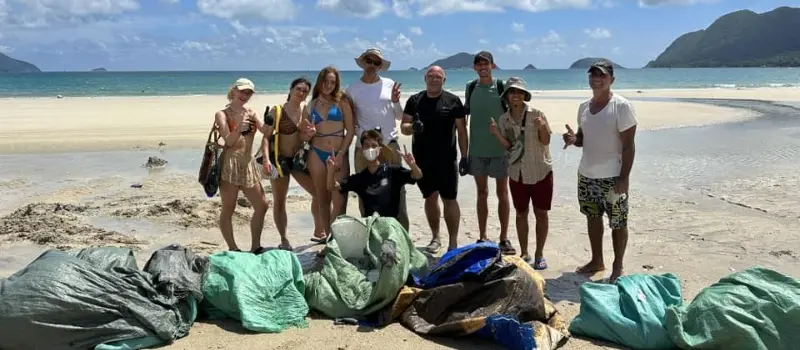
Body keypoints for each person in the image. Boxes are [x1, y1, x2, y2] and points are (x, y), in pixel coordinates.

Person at [563, 59, 638, 283]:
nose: (596, 78)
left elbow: (629, 145)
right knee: (592, 218)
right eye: (593, 74)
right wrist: (573, 139)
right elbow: (583, 139)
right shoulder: (584, 107)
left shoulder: (621, 106)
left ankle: (618, 265)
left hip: (613, 177)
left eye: (602, 75)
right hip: (586, 175)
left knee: (618, 222)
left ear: (611, 80)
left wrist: (624, 178)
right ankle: (597, 260)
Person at [400, 66, 468, 253]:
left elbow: (462, 131)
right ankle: (435, 237)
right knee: (430, 197)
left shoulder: (453, 101)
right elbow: (404, 126)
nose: (434, 79)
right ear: (425, 78)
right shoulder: (415, 100)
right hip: (423, 160)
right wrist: (413, 127)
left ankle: (453, 242)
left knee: (450, 199)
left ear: (444, 80)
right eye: (431, 76)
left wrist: (465, 157)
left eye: (438, 77)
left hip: (447, 160)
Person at [488, 77, 553, 269]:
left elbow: (546, 141)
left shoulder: (537, 113)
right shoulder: (503, 119)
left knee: (541, 213)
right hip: (517, 172)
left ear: (525, 95)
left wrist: (542, 127)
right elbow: (509, 146)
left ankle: (539, 253)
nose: (515, 95)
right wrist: (496, 133)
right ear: (506, 96)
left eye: (519, 92)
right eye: (512, 92)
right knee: (521, 213)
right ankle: (525, 252)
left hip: (540, 170)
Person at [345, 48, 409, 231]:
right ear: (363, 62)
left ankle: (402, 235)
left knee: (397, 192)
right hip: (364, 148)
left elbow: (399, 116)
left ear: (380, 66)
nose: (372, 65)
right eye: (369, 61)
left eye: (376, 62)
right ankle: (370, 234)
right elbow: (351, 118)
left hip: (389, 144)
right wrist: (358, 134)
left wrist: (396, 100)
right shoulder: (353, 89)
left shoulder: (389, 84)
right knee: (365, 193)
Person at [258, 77, 323, 249]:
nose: (301, 93)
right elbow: (266, 137)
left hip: (297, 160)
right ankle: (284, 239)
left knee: (318, 193)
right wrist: (265, 159)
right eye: (299, 89)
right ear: (291, 89)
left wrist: (309, 134)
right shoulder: (277, 110)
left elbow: (302, 137)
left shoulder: (305, 112)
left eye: (305, 91)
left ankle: (319, 230)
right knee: (280, 200)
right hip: (279, 160)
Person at [463, 51, 512, 254]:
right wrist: (463, 152)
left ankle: (503, 238)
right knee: (481, 193)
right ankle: (482, 236)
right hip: (477, 150)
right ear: (475, 67)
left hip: (500, 150)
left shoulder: (501, 87)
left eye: (486, 64)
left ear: (493, 66)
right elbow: (463, 117)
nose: (483, 67)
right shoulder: (470, 87)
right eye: (479, 64)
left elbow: (514, 113)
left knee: (502, 193)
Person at [213, 78, 270, 253]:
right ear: (234, 91)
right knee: (229, 207)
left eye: (248, 93)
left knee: (262, 204)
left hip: (248, 163)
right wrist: (239, 127)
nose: (245, 95)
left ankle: (256, 246)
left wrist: (271, 121)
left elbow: (265, 132)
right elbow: (229, 141)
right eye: (242, 91)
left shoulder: (251, 113)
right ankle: (233, 247)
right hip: (230, 164)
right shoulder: (222, 114)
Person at [301, 66, 355, 241]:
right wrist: (308, 133)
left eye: (332, 82)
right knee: (322, 200)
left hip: (338, 155)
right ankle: (328, 241)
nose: (328, 85)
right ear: (320, 81)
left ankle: (337, 241)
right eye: (326, 81)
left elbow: (351, 131)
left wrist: (340, 154)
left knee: (339, 201)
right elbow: (303, 134)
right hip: (316, 153)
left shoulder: (343, 101)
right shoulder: (312, 104)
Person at [327, 129, 422, 221]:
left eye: (373, 145)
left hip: (392, 226)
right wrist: (331, 170)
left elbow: (417, 176)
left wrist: (412, 165)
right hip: (371, 226)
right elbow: (331, 186)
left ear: (379, 149)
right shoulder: (360, 178)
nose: (370, 149)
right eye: (366, 146)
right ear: (362, 149)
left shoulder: (392, 171)